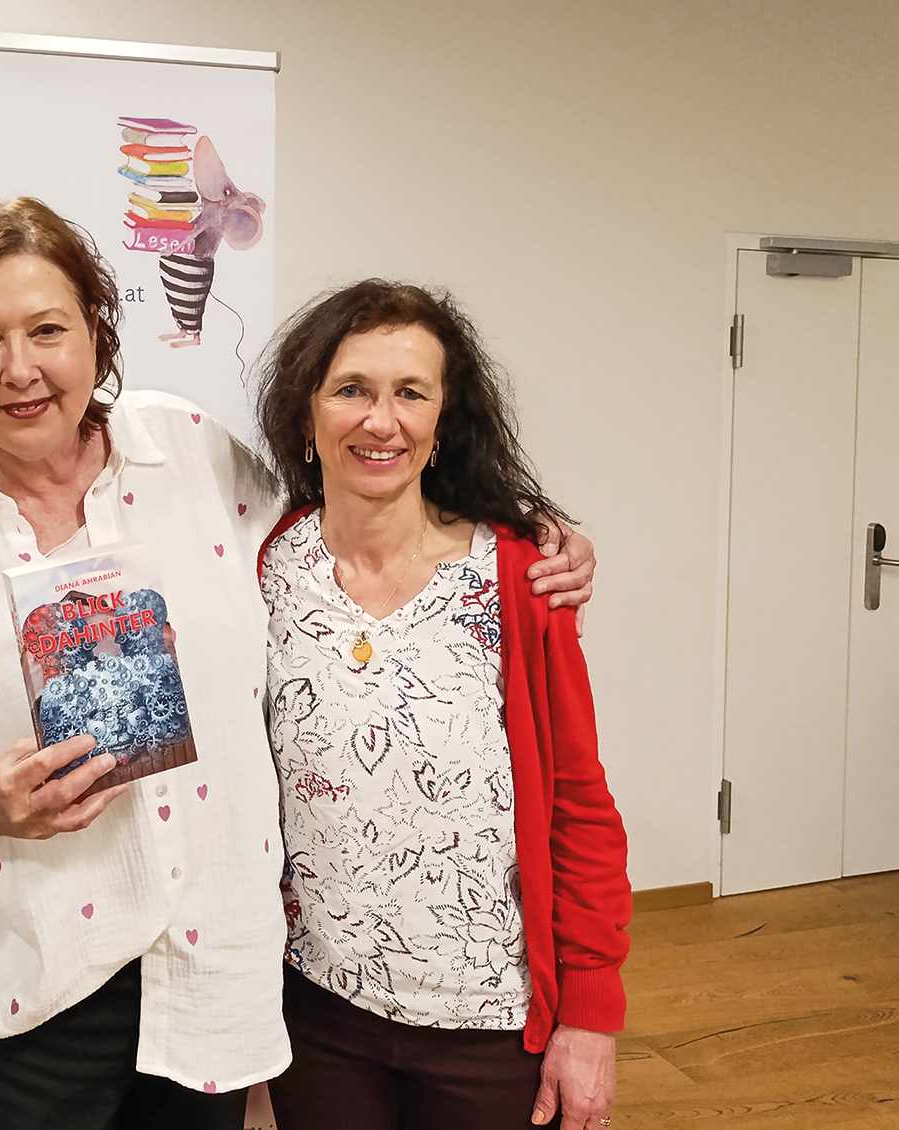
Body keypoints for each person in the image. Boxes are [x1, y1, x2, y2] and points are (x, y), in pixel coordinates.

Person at [0, 198, 599, 1130]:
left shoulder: (191, 451)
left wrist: (526, 534)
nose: (21, 368)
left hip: (212, 977)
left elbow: (347, 519)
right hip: (32, 991)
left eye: (48, 330)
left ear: (96, 331)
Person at [255, 281, 630, 1130]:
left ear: (443, 422)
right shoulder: (267, 567)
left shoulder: (520, 578)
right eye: (351, 389)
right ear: (306, 415)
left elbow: (578, 804)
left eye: (410, 393)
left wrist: (591, 1015)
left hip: (492, 1026)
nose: (380, 421)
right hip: (317, 1013)